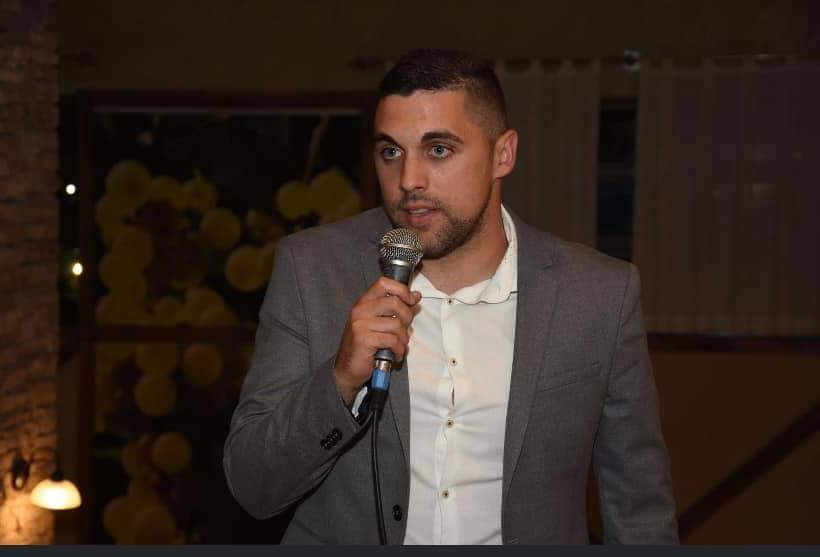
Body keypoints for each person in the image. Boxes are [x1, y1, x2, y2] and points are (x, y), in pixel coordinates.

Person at [223, 49, 678, 545]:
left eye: (438, 149)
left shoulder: (598, 294)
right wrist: (340, 381)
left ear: (503, 154)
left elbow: (639, 509)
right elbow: (253, 486)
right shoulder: (311, 270)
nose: (409, 180)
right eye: (391, 152)